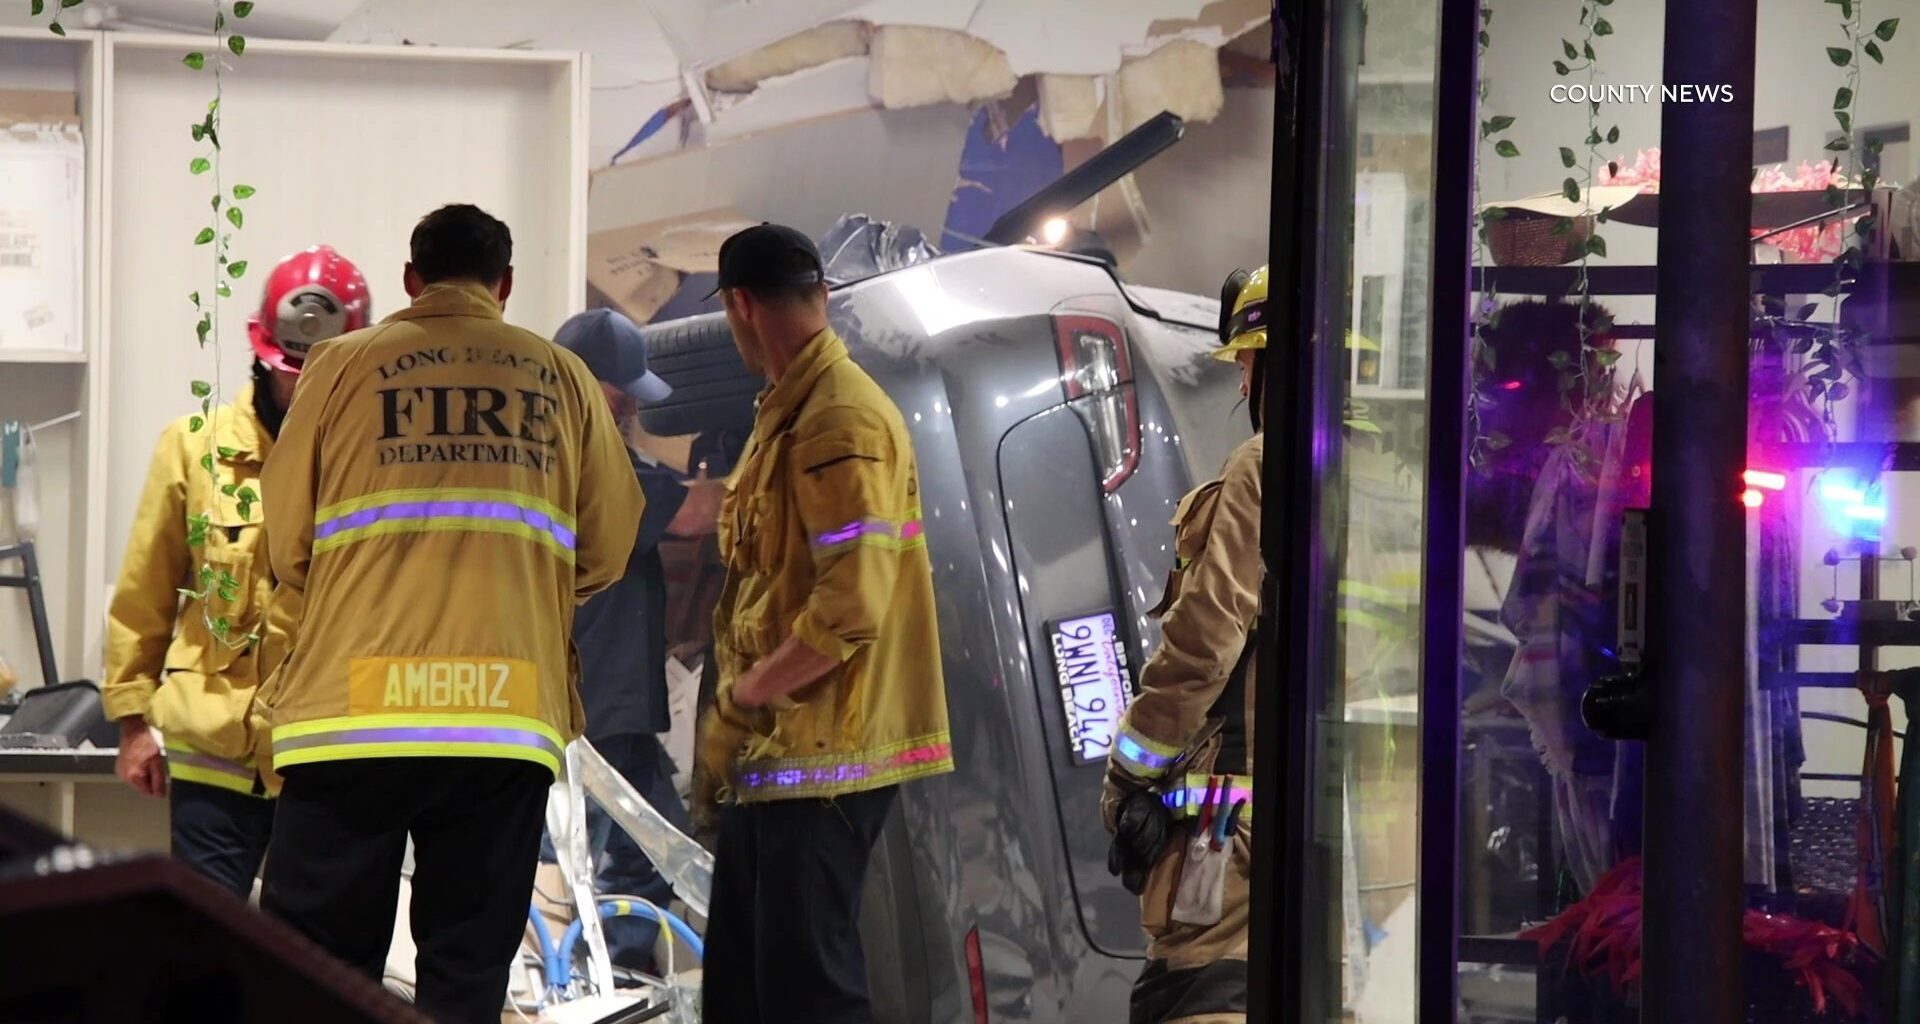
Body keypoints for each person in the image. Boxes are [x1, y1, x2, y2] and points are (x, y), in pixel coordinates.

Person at [252, 204, 642, 1023]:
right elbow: (608, 547)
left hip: (352, 719)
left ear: (409, 281)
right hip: (500, 724)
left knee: (316, 977)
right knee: (465, 981)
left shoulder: (340, 368)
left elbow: (285, 546)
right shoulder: (563, 379)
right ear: (504, 285)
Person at [694, 223, 954, 1023]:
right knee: (744, 990)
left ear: (739, 305)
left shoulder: (838, 422)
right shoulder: (791, 414)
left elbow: (850, 605)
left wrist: (741, 703)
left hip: (823, 755)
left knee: (807, 994)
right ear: (823, 295)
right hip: (783, 752)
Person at [103, 245, 370, 899]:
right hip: (213, 753)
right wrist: (133, 723)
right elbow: (146, 588)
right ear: (263, 350)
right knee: (207, 956)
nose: (305, 385)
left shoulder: (378, 463)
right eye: (292, 368)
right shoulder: (194, 446)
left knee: (312, 960)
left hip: (328, 758)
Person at [1102, 266, 1265, 1024]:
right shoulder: (1393, 470)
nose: (1243, 386)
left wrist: (1128, 773)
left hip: (1232, 831)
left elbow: (1205, 642)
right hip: (1366, 839)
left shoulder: (1264, 468)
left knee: (1195, 997)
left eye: (1249, 363)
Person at [548, 307, 726, 973]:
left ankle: (614, 970)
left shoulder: (538, 454)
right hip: (602, 695)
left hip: (585, 690)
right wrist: (774, 475)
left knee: (634, 845)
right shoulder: (601, 465)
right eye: (622, 392)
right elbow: (697, 511)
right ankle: (612, 973)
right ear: (591, 386)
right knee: (644, 849)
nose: (628, 407)